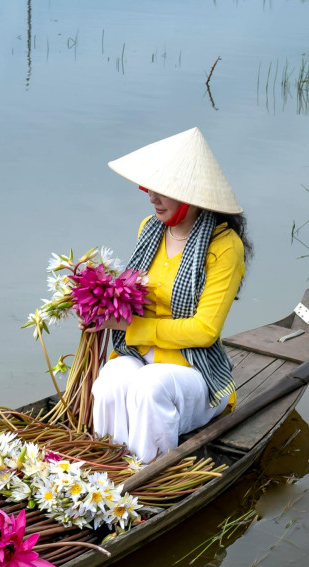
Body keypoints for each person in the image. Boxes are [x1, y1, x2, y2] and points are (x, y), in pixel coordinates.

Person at [87, 127, 252, 463]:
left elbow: (205, 331)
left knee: (149, 385)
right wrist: (100, 312)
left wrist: (129, 328)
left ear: (191, 194)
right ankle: (106, 468)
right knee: (110, 381)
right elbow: (130, 298)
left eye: (163, 191)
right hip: (140, 356)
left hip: (195, 371)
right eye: (151, 188)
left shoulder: (223, 246)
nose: (151, 196)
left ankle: (149, 472)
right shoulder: (150, 229)